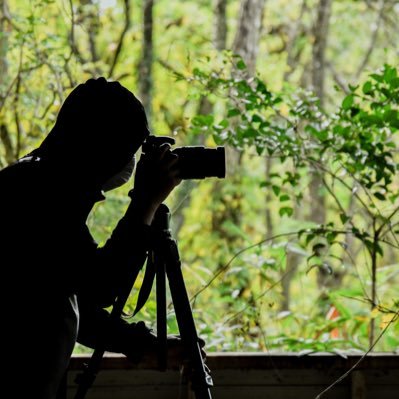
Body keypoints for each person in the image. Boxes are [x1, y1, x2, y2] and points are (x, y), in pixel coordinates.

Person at [0, 77, 186, 398]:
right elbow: (100, 287)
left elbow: (65, 295)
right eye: (128, 151)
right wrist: (144, 204)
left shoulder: (35, 181)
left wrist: (138, 344)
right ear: (102, 150)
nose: (130, 163)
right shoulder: (37, 194)